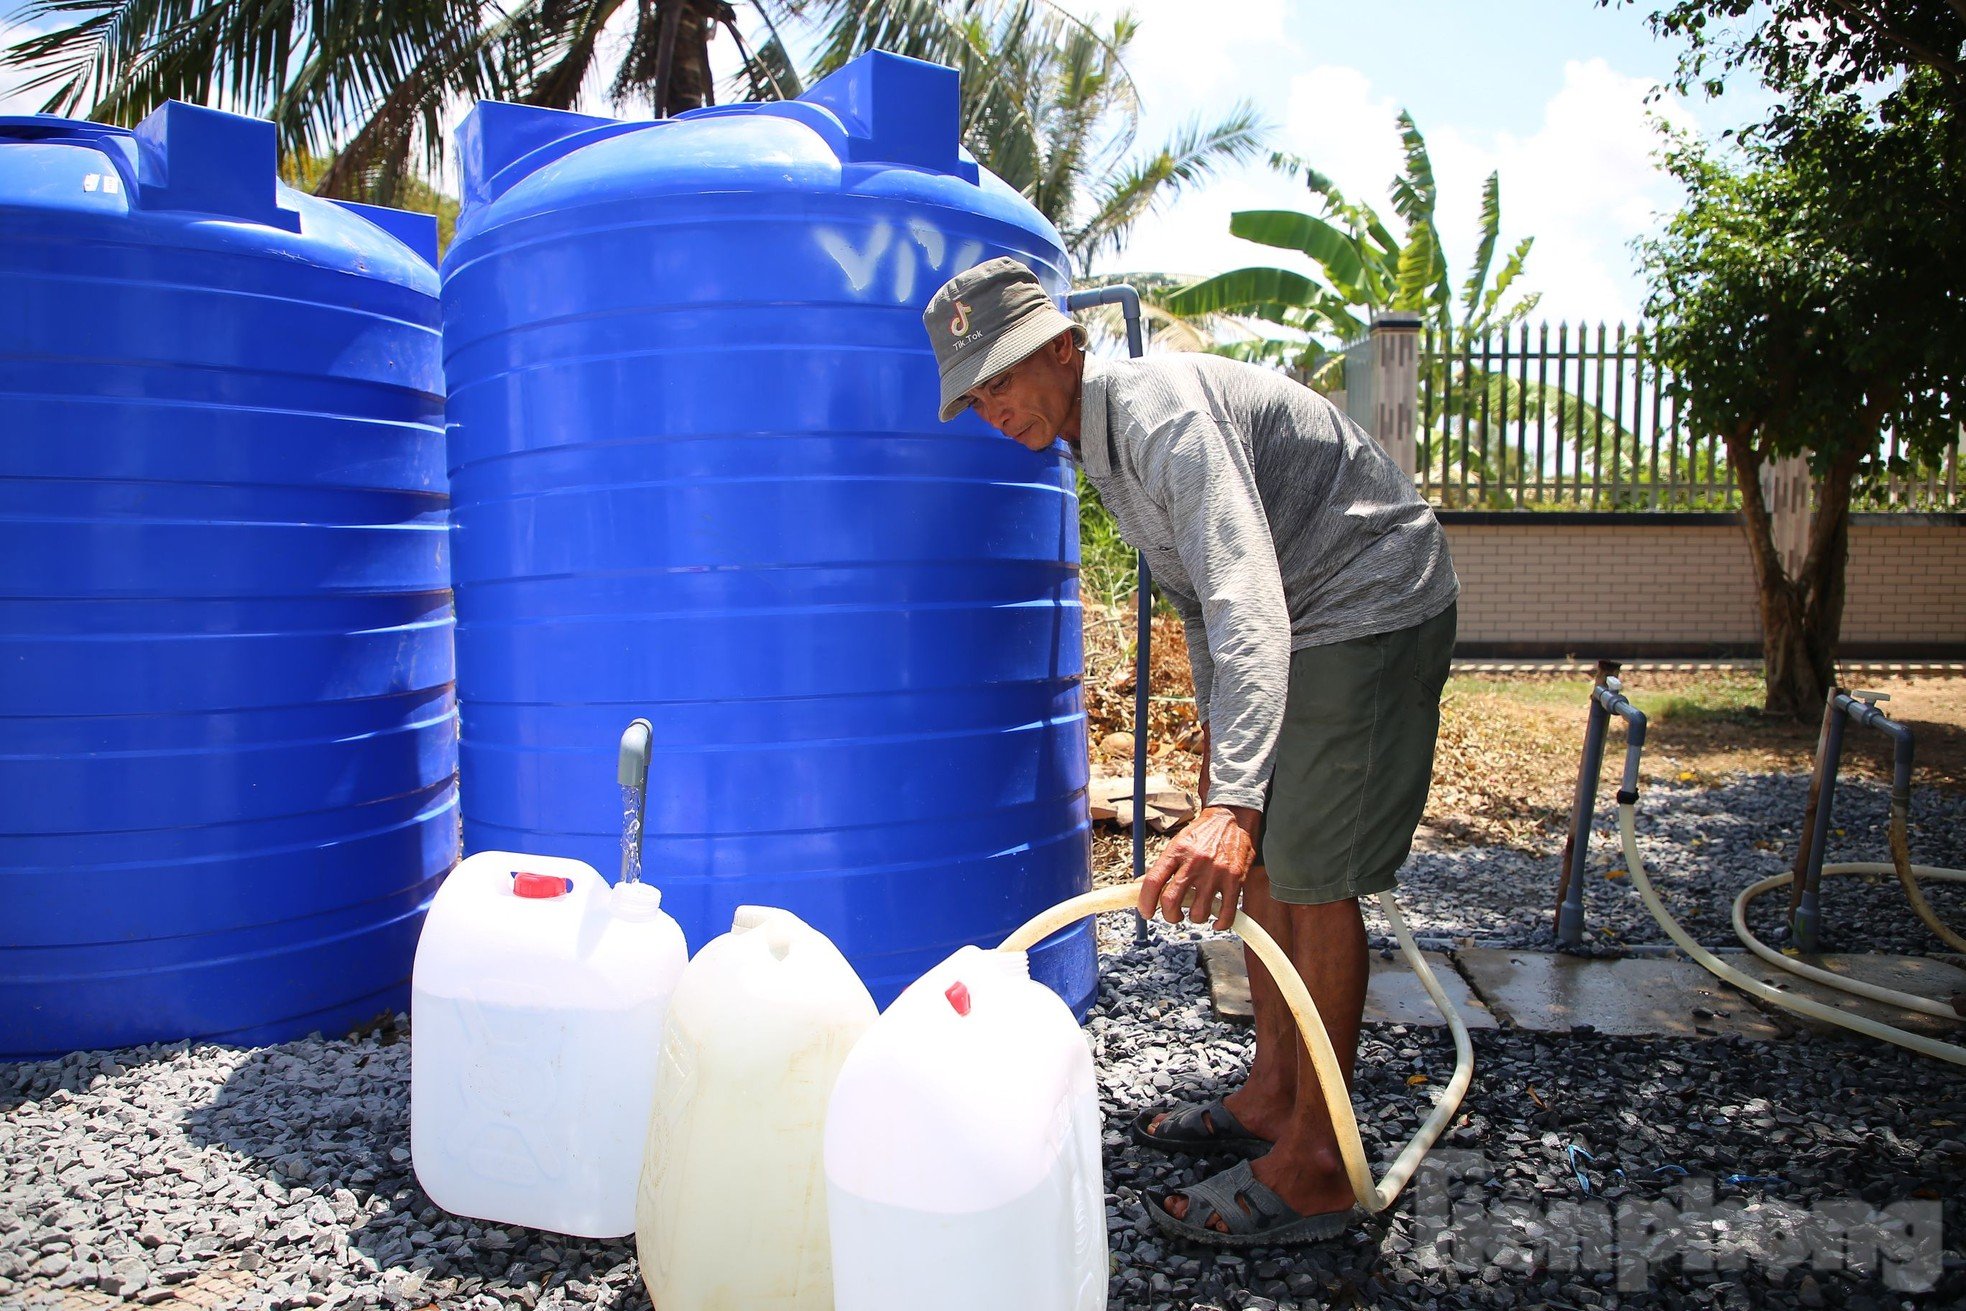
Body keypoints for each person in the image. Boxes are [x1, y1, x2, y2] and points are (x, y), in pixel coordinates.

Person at [920, 257, 1459, 1247]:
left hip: (1364, 595)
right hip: (1299, 611)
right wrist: (1225, 767)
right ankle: (1270, 1099)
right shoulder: (1097, 442)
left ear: (1065, 348)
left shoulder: (1157, 411)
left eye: (1003, 375)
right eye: (974, 390)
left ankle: (1318, 1167)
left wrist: (1238, 802)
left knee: (1307, 873)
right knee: (1255, 864)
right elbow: (1206, 610)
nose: (991, 406)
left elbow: (1246, 592)